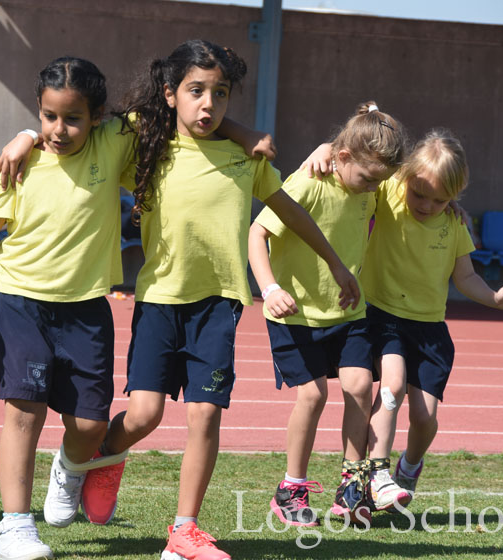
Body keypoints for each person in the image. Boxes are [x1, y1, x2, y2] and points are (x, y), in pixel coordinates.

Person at [66, 40, 359, 560]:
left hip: (219, 306)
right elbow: (82, 124)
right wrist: (26, 136)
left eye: (220, 94)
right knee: (145, 415)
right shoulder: (147, 146)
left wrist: (336, 263)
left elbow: (290, 212)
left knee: (205, 415)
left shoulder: (244, 160)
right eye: (195, 91)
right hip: (158, 301)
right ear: (170, 94)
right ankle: (106, 456)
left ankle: (184, 532)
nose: (208, 105)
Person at [0, 56, 139, 560]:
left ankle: (71, 469)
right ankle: (15, 526)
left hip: (86, 309)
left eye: (72, 118)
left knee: (90, 425)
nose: (58, 129)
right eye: (48, 117)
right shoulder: (21, 163)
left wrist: (244, 130)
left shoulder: (113, 141)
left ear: (97, 117)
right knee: (23, 413)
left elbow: (171, 106)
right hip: (20, 301)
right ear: (39, 110)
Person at [310, 129, 503, 513]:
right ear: (406, 179)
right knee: (390, 388)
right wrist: (327, 148)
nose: (426, 205)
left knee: (425, 418)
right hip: (382, 316)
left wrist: (497, 299)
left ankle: (408, 467)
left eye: (440, 200)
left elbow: (466, 279)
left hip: (429, 329)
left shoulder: (454, 224)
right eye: (420, 194)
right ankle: (375, 474)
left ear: (456, 197)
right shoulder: (390, 192)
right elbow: (363, 156)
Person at [248, 101, 409, 527]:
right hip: (296, 314)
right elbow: (257, 231)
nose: (374, 187)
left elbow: (377, 142)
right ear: (342, 158)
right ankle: (291, 489)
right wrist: (270, 288)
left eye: (380, 181)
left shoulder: (366, 186)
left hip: (346, 311)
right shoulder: (310, 181)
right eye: (369, 178)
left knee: (359, 386)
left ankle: (351, 486)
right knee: (314, 395)